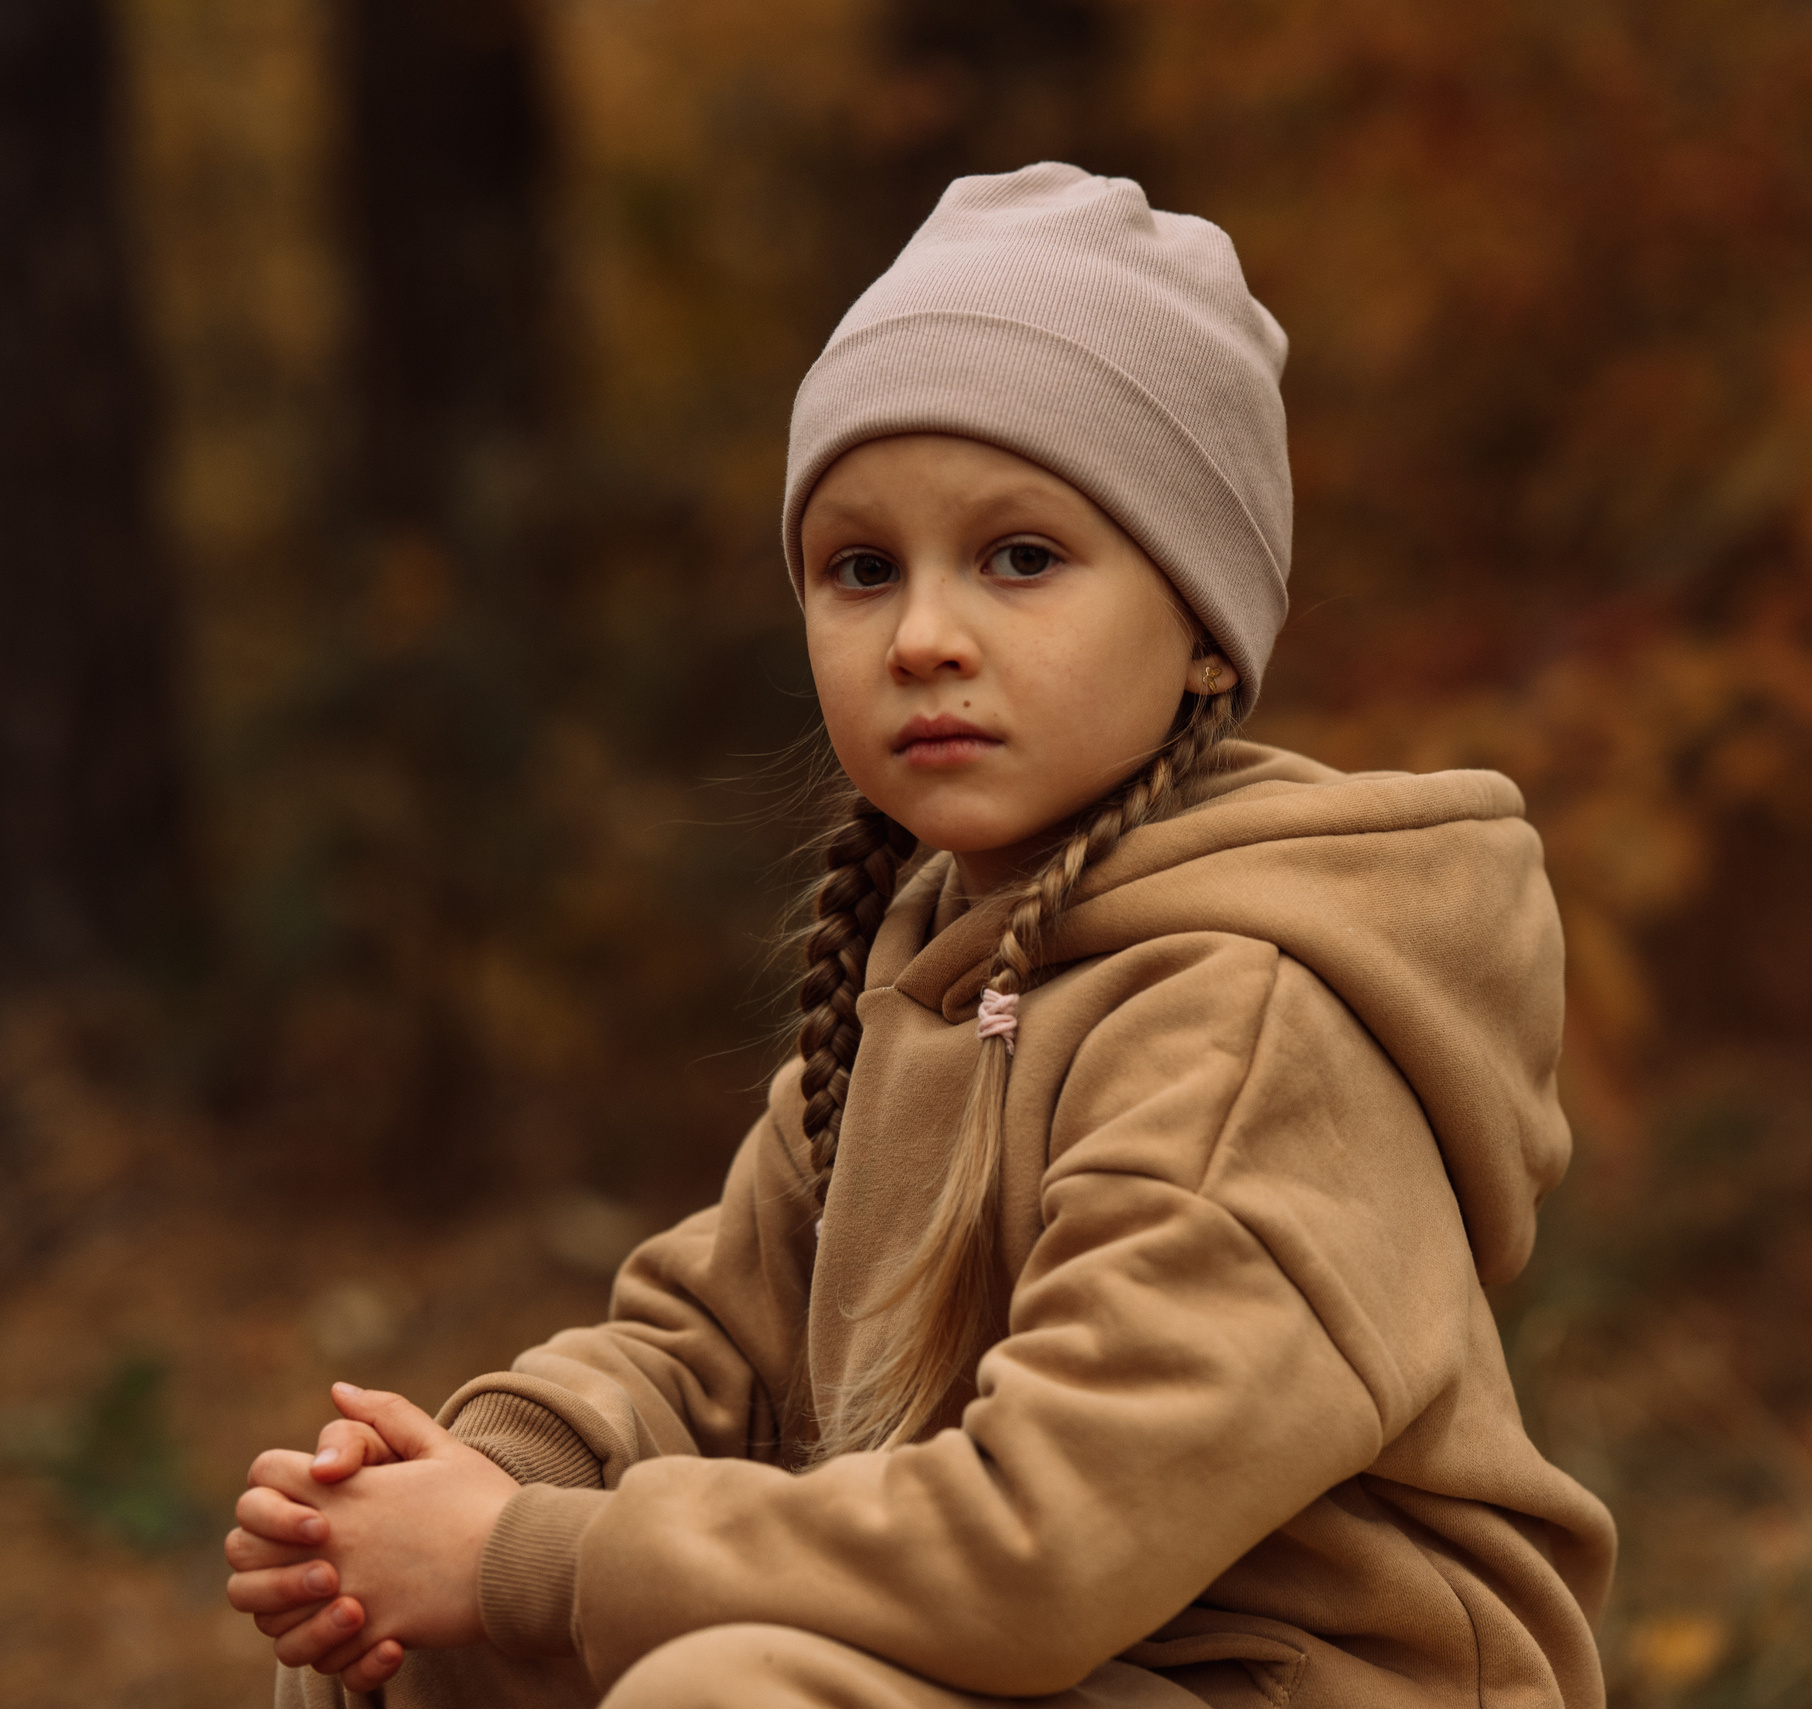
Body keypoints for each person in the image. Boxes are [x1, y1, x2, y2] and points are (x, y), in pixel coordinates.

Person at [222, 162, 1615, 1709]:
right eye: (861, 567)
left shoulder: (1255, 1019)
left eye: (1022, 557)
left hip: (1270, 1681)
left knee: (720, 1695)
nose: (924, 634)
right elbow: (708, 1345)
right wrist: (475, 1477)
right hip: (1045, 1665)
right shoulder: (929, 967)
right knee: (419, 1653)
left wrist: (522, 1551)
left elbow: (1037, 1551)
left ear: (1208, 629)